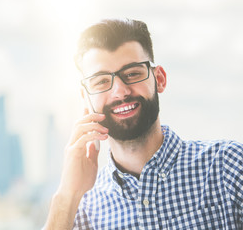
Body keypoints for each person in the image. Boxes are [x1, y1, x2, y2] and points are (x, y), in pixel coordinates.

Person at [43, 18, 243, 229]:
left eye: (132, 74)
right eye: (101, 81)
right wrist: (66, 195)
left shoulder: (228, 166)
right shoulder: (81, 210)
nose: (120, 91)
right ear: (86, 98)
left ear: (160, 79)